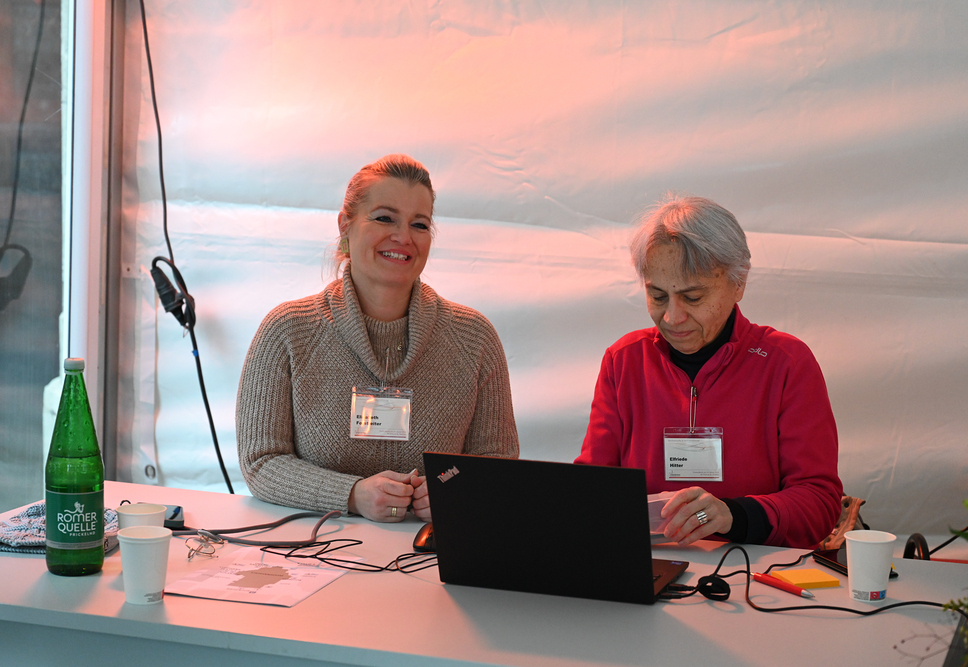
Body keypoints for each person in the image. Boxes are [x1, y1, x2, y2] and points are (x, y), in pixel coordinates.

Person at [236, 154, 519, 522]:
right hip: (317, 548)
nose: (403, 237)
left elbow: (497, 462)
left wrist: (456, 488)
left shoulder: (474, 338)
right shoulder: (287, 331)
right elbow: (261, 462)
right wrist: (352, 494)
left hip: (427, 551)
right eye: (385, 218)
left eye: (419, 224)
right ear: (345, 226)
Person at [576, 196, 842, 549]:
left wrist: (733, 515)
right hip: (651, 564)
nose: (673, 317)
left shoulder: (786, 363)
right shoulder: (625, 360)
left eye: (693, 297)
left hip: (751, 569)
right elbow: (591, 488)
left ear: (738, 283)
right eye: (658, 296)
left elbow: (819, 502)